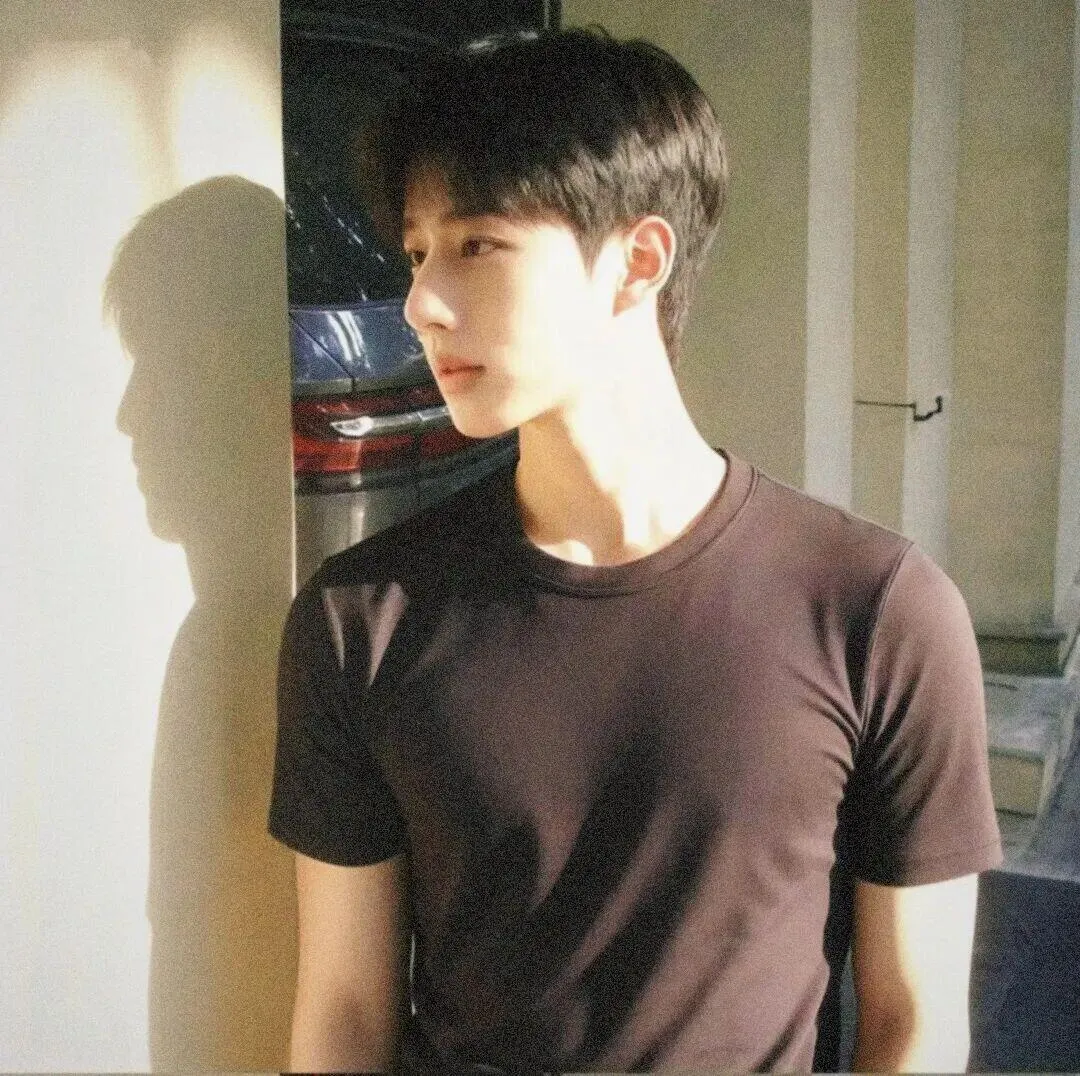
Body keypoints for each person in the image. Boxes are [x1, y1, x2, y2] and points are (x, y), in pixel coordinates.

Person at [268, 25, 1002, 1073]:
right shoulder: (362, 618)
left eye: (477, 244)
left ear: (638, 261)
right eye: (418, 253)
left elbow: (913, 1022)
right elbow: (344, 1009)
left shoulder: (876, 611)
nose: (421, 303)